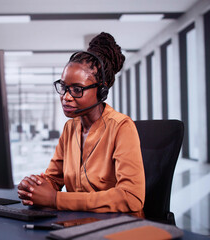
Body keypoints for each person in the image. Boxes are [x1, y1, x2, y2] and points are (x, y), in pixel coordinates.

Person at [17, 32, 145, 216]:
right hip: (79, 222)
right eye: (63, 87)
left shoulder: (121, 127)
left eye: (77, 89)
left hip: (117, 227)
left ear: (101, 90)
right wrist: (34, 187)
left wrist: (55, 199)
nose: (65, 97)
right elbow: (53, 178)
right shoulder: (70, 128)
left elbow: (131, 197)